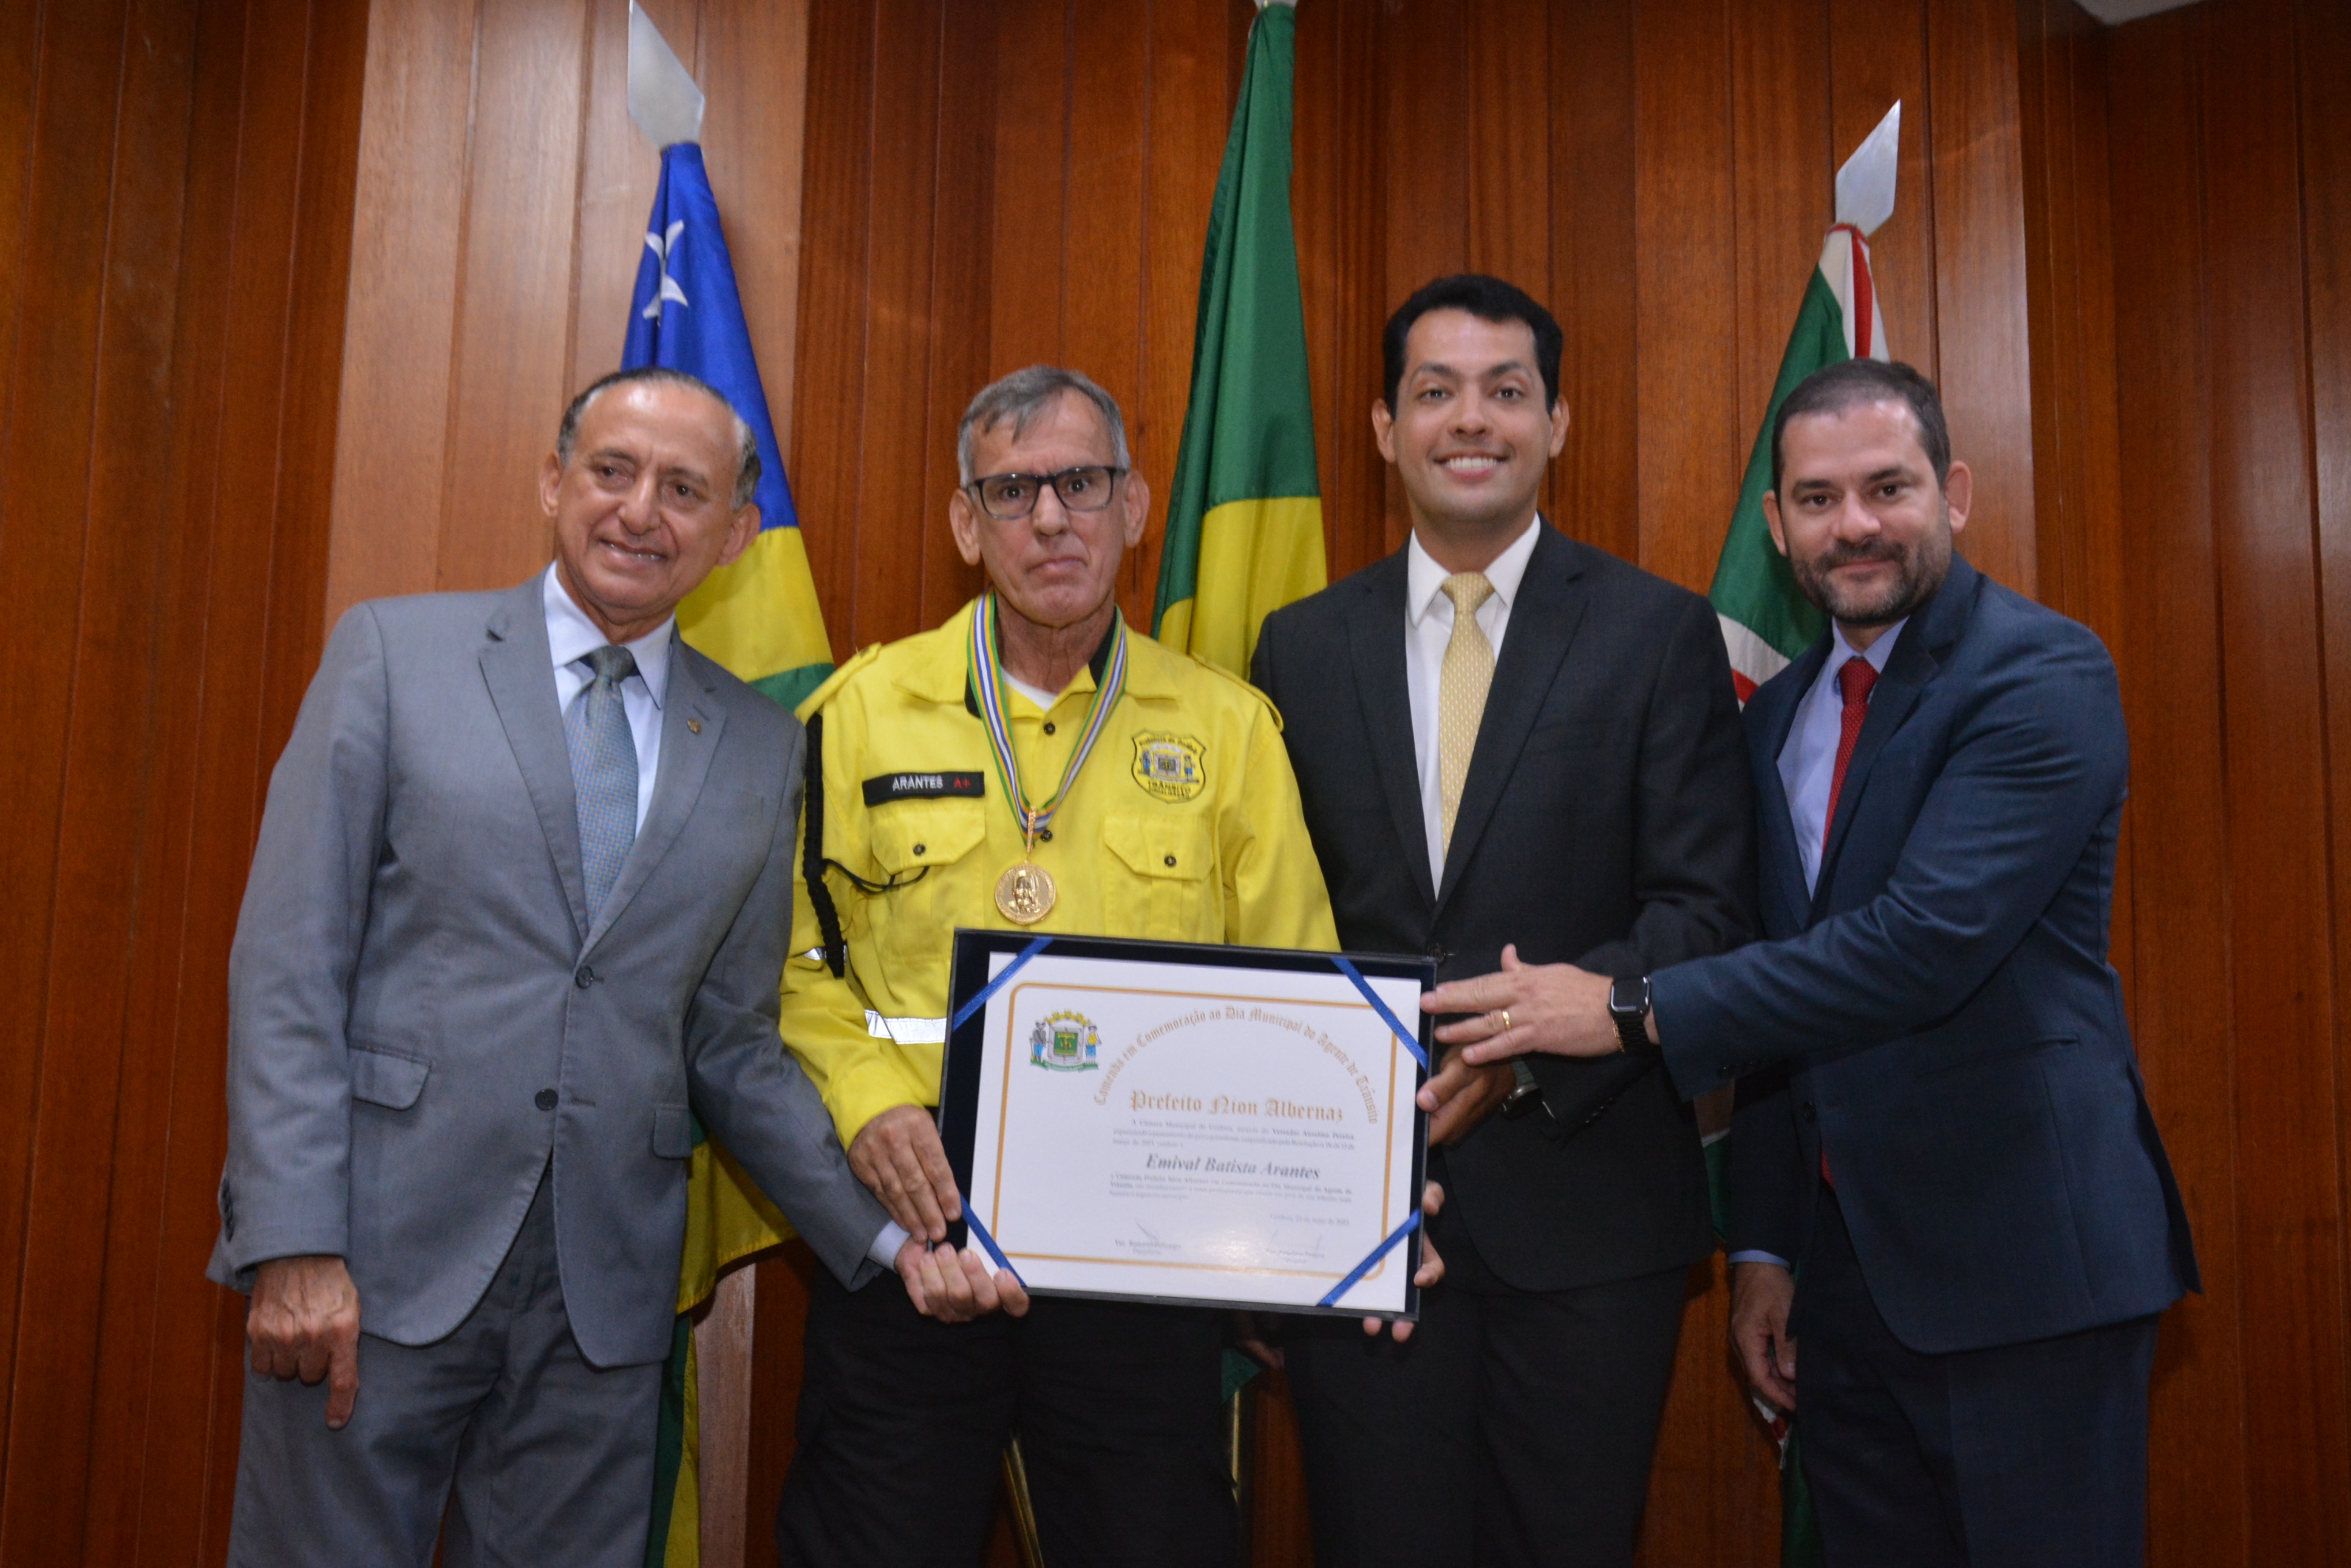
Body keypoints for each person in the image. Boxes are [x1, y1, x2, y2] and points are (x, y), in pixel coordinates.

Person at [209, 367, 1015, 1568]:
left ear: (735, 534)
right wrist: (292, 1240)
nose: (641, 511)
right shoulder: (394, 654)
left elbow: (734, 1045)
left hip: (601, 1309)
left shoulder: (759, 747)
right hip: (371, 1267)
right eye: (612, 471)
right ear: (554, 482)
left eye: (685, 489)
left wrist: (899, 1242)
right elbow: (290, 963)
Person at [1430, 358, 2197, 1568]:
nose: (1855, 525)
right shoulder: (1773, 716)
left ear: (1952, 493)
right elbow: (1783, 1002)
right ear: (1777, 525)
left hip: (2026, 1279)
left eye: (1887, 488)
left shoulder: (2040, 673)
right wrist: (1765, 1251)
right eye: (1818, 499)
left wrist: (1623, 1007)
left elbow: (1916, 948)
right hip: (1842, 1295)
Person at [774, 365, 1440, 1567]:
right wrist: (869, 1104)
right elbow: (788, 966)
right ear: (965, 522)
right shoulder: (858, 715)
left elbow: (1301, 998)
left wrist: (1361, 1203)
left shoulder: (1228, 729)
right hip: (911, 1244)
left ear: (1133, 506)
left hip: (1138, 1264)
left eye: (1080, 483)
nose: (1049, 518)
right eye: (1012, 490)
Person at [1250, 275, 1756, 1568]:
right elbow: (1267, 931)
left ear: (1557, 422)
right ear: (1385, 427)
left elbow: (1708, 913)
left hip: (1590, 1220)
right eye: (1436, 391)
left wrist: (1522, 1051)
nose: (1470, 419)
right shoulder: (1296, 648)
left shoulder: (1657, 632)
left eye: (1506, 391)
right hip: (1362, 1220)